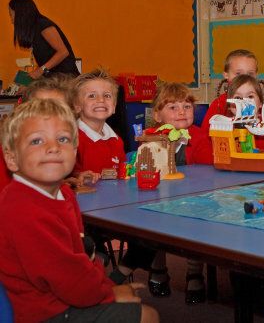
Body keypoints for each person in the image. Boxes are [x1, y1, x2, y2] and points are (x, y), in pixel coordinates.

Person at [0, 99, 158, 323]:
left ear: (74, 150)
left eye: (62, 139)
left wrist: (106, 287)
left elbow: (80, 257)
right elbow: (66, 276)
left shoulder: (63, 193)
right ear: (12, 158)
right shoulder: (22, 208)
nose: (53, 147)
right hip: (44, 312)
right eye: (36, 141)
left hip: (64, 297)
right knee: (147, 316)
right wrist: (109, 294)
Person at [113, 82, 213, 304]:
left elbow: (207, 171)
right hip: (157, 199)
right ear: (157, 114)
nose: (181, 112)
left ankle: (194, 272)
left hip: (192, 199)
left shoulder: (199, 136)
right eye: (173, 107)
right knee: (152, 225)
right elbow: (143, 168)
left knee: (197, 222)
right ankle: (157, 269)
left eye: (187, 107)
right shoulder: (149, 136)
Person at [71, 69, 125, 182]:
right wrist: (78, 176)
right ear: (77, 105)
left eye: (107, 95)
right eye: (92, 96)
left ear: (114, 106)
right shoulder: (71, 138)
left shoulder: (117, 141)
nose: (101, 100)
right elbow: (61, 176)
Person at [9, 0, 80, 78]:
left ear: (20, 14)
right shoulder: (35, 29)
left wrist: (40, 71)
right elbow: (48, 61)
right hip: (53, 78)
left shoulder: (43, 25)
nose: (12, 20)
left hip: (65, 79)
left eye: (11, 15)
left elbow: (63, 52)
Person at [200, 49, 258, 130]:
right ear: (226, 75)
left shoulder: (257, 102)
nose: (244, 79)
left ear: (256, 75)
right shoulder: (219, 104)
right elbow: (206, 134)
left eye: (250, 74)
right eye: (238, 74)